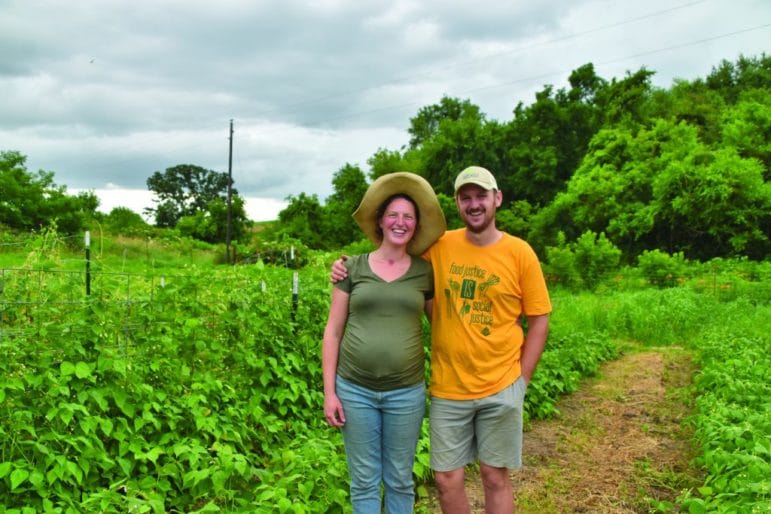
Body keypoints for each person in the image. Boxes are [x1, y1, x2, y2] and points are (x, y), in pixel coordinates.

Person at [332, 166, 552, 514]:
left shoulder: (520, 252)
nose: (474, 204)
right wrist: (346, 266)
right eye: (466, 198)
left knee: (495, 476)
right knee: (447, 480)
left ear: (497, 198)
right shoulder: (440, 247)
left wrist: (522, 380)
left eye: (481, 196)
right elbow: (392, 260)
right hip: (448, 387)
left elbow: (540, 319)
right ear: (457, 204)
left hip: (501, 384)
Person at [322, 172, 447, 513]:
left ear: (416, 225)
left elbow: (441, 328)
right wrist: (330, 392)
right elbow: (332, 332)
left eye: (408, 216)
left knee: (400, 479)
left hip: (405, 393)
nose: (400, 222)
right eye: (393, 214)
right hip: (354, 391)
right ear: (379, 221)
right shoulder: (351, 268)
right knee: (363, 481)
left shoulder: (425, 272)